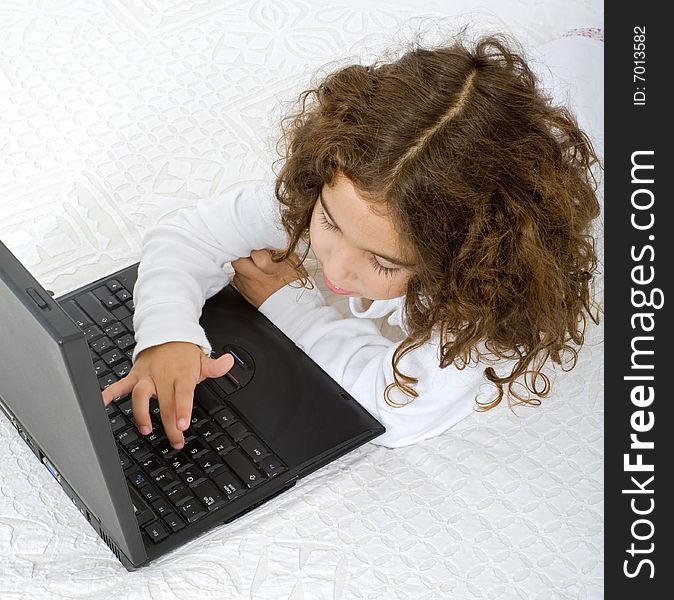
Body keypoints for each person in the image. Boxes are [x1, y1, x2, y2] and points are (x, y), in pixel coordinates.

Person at [101, 31, 603, 450]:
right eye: (330, 225)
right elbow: (186, 236)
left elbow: (397, 410)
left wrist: (288, 302)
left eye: (383, 263)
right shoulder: (351, 184)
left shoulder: (488, 286)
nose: (337, 271)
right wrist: (167, 334)